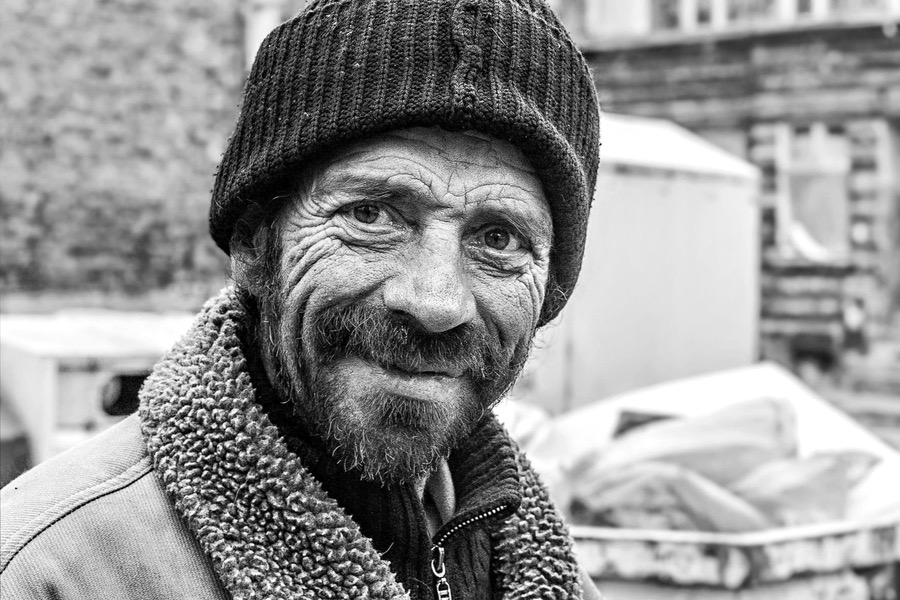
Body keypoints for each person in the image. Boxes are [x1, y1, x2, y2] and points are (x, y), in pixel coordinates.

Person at [0, 0, 602, 598]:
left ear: (549, 292)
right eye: (370, 214)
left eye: (499, 238)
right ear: (255, 244)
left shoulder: (543, 572)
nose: (437, 301)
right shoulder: (50, 572)